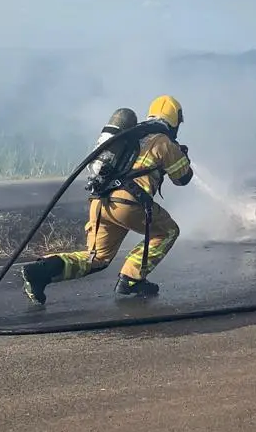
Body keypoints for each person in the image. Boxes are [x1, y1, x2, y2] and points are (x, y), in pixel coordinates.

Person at [20, 95, 194, 305]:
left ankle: (40, 272)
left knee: (96, 258)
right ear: (175, 119)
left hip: (100, 202)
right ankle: (131, 278)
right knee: (168, 231)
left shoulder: (131, 137)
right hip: (129, 203)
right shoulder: (162, 141)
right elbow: (182, 178)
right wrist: (181, 156)